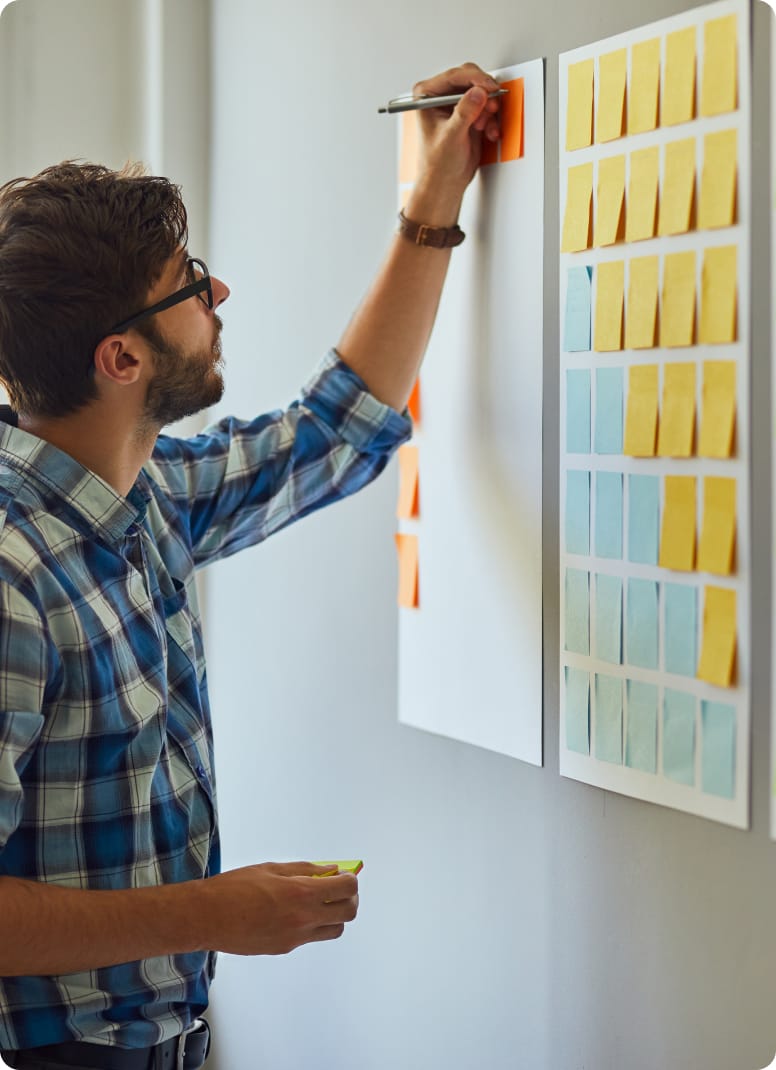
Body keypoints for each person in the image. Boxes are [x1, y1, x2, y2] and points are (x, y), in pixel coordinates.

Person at [0, 62, 502, 1069]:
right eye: (189, 285)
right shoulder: (11, 574)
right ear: (122, 358)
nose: (217, 291)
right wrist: (215, 911)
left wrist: (432, 202)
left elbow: (331, 430)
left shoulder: (146, 492)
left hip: (177, 1039)